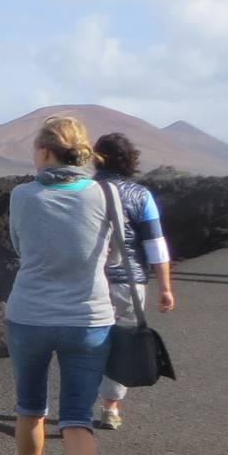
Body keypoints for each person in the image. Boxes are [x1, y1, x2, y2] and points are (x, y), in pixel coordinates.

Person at [5, 115, 116, 455]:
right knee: (77, 419)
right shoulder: (104, 194)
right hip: (89, 320)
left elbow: (20, 245)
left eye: (35, 149)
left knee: (30, 407)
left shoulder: (22, 196)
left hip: (30, 316)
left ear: (46, 152)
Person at [93, 132, 177, 429]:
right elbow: (156, 245)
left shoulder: (83, 192)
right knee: (122, 343)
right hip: (129, 283)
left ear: (96, 157)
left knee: (86, 341)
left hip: (86, 282)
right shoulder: (141, 196)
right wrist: (165, 288)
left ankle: (77, 403)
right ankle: (110, 407)